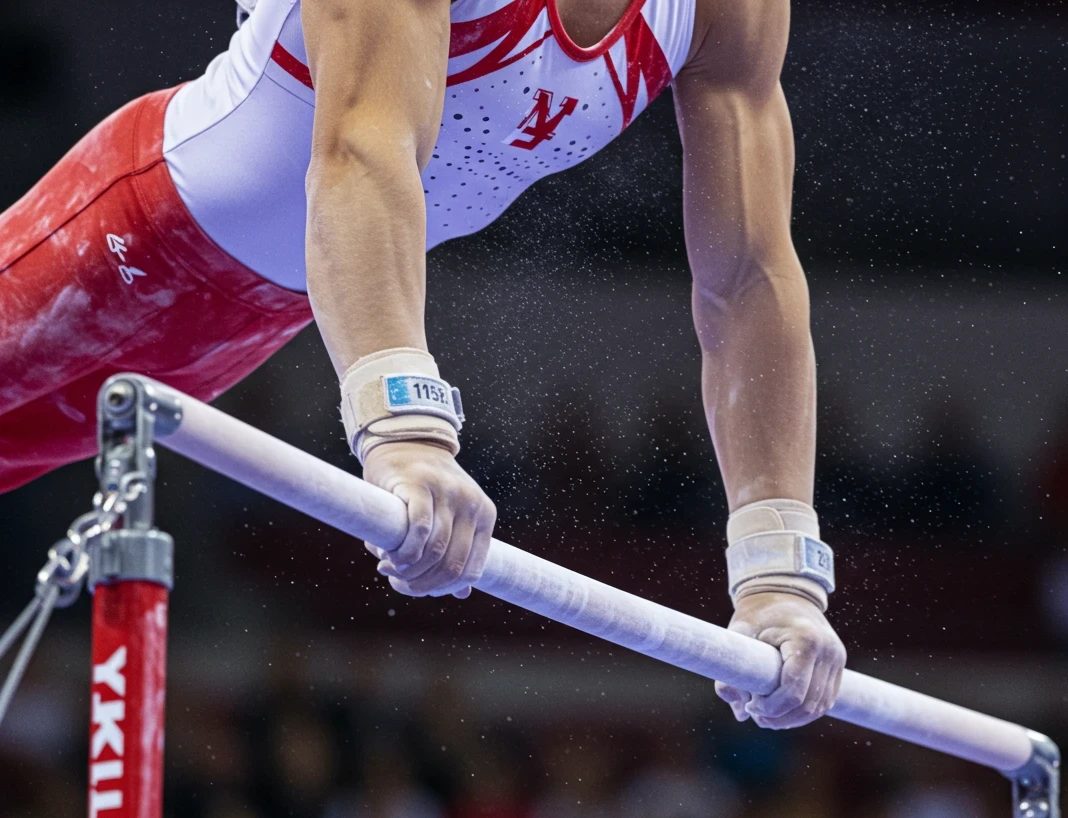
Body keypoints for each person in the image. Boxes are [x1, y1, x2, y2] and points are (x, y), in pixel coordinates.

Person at [0, 0, 845, 728]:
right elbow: (361, 154)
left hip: (283, 306)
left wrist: (778, 575)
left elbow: (748, 279)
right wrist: (405, 435)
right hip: (136, 229)